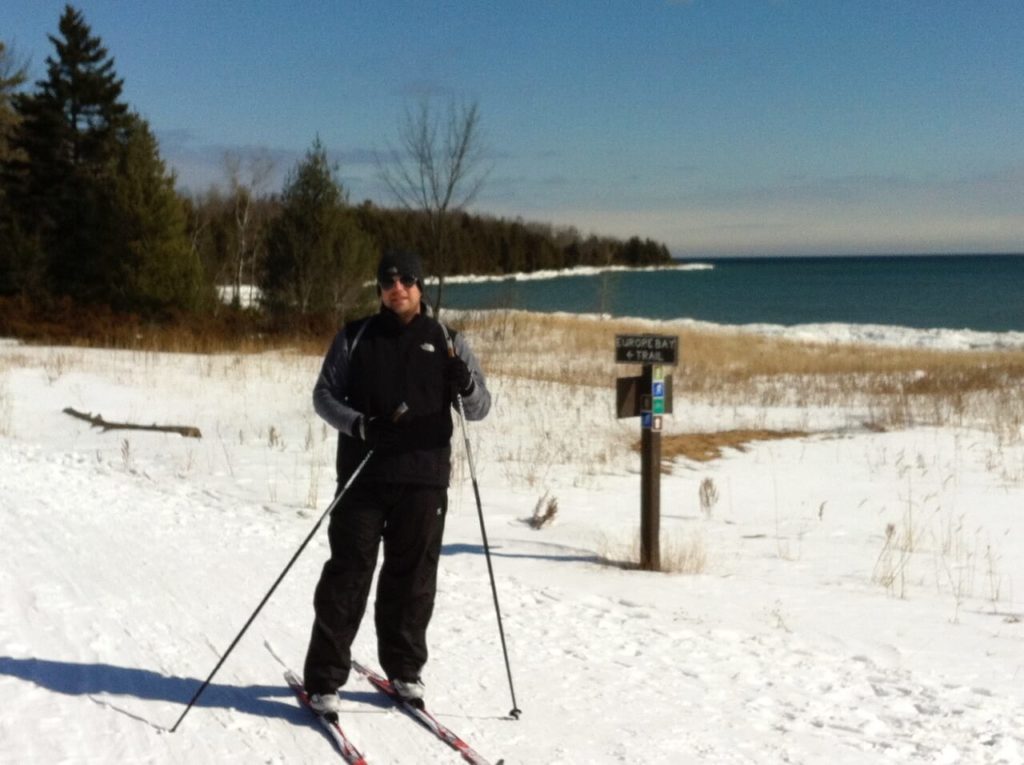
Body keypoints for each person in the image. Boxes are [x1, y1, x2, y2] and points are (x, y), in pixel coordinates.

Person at [303, 249, 491, 716]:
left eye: (406, 278)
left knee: (413, 580)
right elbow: (323, 396)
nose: (397, 287)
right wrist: (361, 425)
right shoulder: (356, 336)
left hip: (425, 480)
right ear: (380, 289)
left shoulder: (448, 340)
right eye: (388, 280)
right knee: (348, 575)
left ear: (420, 285)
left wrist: (464, 383)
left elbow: (480, 408)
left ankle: (405, 670)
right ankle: (325, 679)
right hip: (365, 476)